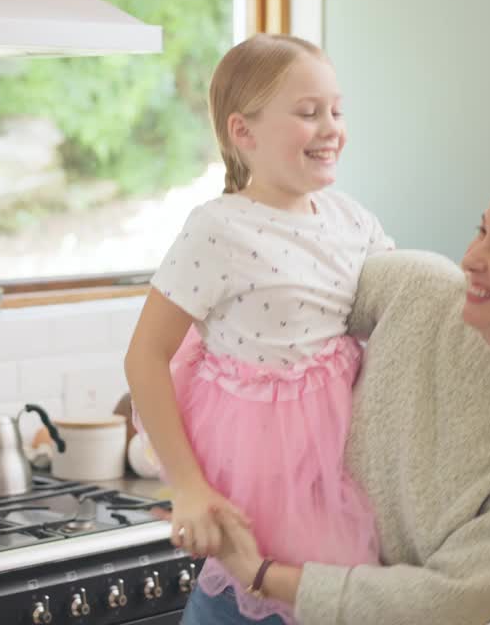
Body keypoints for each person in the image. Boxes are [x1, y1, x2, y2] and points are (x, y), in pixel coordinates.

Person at [204, 162, 490, 625]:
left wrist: (262, 573)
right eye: (482, 231)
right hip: (230, 594)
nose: (472, 258)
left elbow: (441, 603)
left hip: (284, 587)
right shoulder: (418, 288)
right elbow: (272, 307)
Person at [125, 34, 394, 624]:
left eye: (336, 110)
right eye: (307, 112)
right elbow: (146, 356)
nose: (330, 127)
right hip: (259, 484)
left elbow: (404, 313)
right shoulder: (220, 228)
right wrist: (189, 489)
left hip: (339, 480)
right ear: (243, 132)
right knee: (249, 601)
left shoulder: (354, 220)